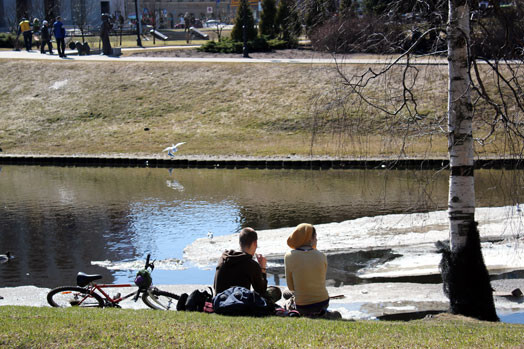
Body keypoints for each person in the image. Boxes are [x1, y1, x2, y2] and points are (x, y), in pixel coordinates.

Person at [284, 223, 332, 317]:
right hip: (323, 302)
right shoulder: (321, 255)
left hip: (303, 306)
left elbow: (291, 287)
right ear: (310, 239)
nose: (316, 240)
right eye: (315, 237)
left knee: (286, 292)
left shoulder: (289, 256)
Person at [214, 227, 268, 295]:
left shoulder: (222, 259)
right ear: (255, 243)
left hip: (219, 303)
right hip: (239, 304)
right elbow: (262, 291)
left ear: (240, 242)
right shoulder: (251, 264)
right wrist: (262, 268)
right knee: (274, 292)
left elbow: (215, 286)